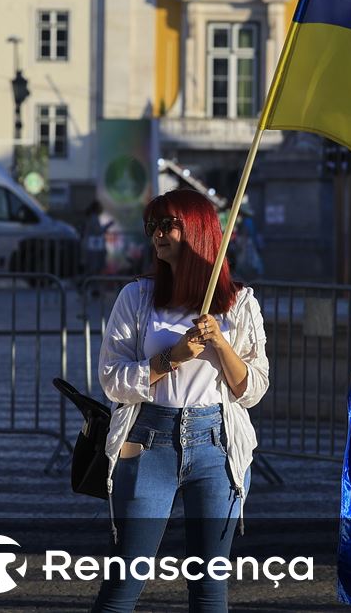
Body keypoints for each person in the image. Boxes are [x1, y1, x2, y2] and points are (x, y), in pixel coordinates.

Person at [93, 189, 270, 612]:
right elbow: (111, 380)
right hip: (147, 441)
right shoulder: (136, 298)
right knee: (125, 579)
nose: (157, 234)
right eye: (151, 225)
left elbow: (254, 390)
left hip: (218, 445)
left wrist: (222, 346)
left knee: (210, 586)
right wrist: (170, 358)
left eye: (168, 224)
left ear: (198, 229)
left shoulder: (239, 303)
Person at [80, 200, 113, 277]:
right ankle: (91, 285)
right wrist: (108, 225)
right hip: (93, 247)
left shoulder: (92, 217)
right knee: (93, 268)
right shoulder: (93, 218)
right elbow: (98, 231)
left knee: (92, 267)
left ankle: (90, 284)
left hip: (92, 247)